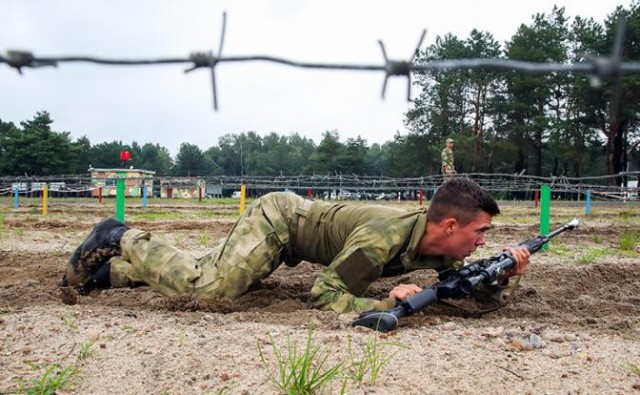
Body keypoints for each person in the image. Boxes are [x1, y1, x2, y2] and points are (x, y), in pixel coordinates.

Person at [61, 178, 530, 313]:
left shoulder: (439, 246)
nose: (484, 241)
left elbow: (456, 291)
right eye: (481, 232)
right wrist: (388, 298)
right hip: (281, 220)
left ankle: (111, 273)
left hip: (294, 237)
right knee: (214, 290)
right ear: (449, 225)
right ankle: (117, 236)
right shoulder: (380, 240)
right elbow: (323, 293)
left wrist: (497, 281)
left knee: (210, 266)